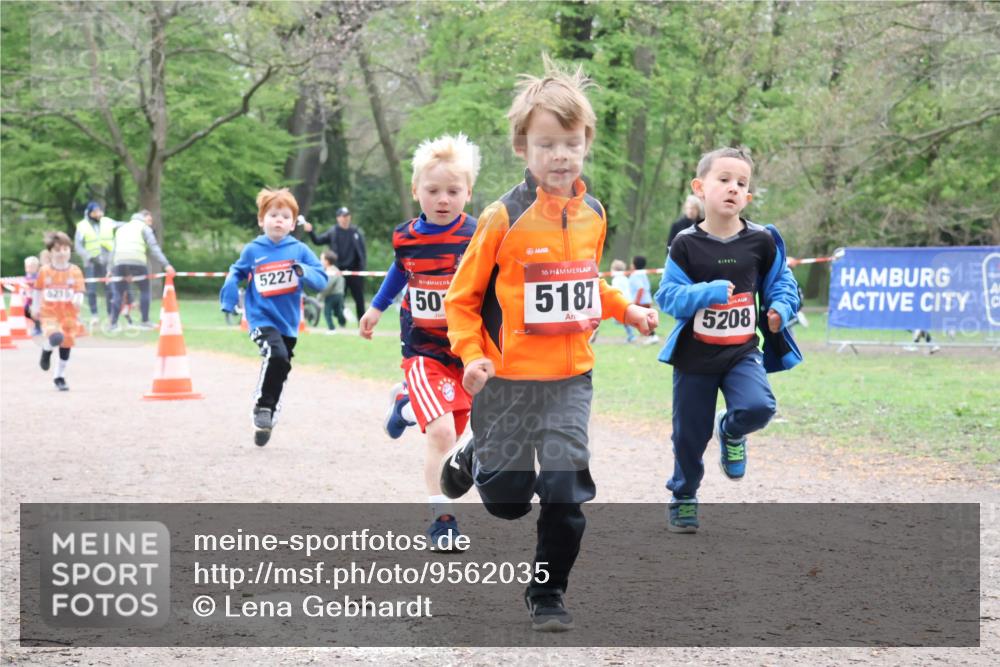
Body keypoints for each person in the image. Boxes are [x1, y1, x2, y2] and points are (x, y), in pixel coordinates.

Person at [439, 60, 659, 632]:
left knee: (565, 486)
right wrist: (471, 357)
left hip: (570, 379)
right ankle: (474, 453)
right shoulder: (501, 217)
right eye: (546, 145)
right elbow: (460, 300)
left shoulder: (594, 213)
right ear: (523, 148)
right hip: (507, 382)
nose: (560, 155)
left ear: (585, 142)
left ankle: (548, 591)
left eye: (570, 142)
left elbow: (587, 281)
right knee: (509, 501)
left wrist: (627, 309)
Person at [654, 146, 802, 534]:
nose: (733, 188)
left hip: (741, 352)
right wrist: (705, 293)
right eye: (724, 180)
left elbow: (785, 285)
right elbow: (667, 296)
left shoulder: (761, 241)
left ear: (748, 196)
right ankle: (684, 495)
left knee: (760, 407)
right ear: (700, 188)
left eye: (741, 183)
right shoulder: (685, 244)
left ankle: (732, 429)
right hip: (693, 358)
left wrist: (781, 310)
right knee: (689, 434)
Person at [358, 133, 481, 551]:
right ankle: (442, 521)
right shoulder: (406, 237)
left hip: (466, 353)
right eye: (432, 191)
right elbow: (399, 271)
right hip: (423, 350)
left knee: (455, 429)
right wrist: (376, 307)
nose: (443, 199)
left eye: (453, 190)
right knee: (444, 435)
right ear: (416, 191)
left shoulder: (478, 236)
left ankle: (406, 406)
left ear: (468, 192)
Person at [220, 188, 327, 446]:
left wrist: (304, 272)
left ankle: (268, 417)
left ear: (293, 224)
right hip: (260, 317)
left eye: (285, 216)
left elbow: (322, 279)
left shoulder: (299, 250)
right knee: (276, 355)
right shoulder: (253, 250)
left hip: (288, 323)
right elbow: (235, 273)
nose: (278, 220)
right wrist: (229, 297)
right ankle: (262, 407)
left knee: (282, 364)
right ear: (261, 220)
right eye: (272, 214)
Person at [30, 232, 85, 391]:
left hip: (69, 315)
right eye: (58, 249)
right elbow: (38, 290)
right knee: (56, 336)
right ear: (50, 252)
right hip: (50, 313)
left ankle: (59, 377)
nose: (62, 253)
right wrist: (35, 306)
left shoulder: (75, 271)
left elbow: (80, 290)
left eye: (65, 249)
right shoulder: (45, 271)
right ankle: (46, 351)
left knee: (65, 346)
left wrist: (78, 299)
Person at [108, 210, 175, 330]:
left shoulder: (121, 228)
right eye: (149, 220)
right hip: (137, 261)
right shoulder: (144, 227)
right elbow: (154, 248)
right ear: (143, 217)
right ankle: (145, 321)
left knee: (118, 292)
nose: (150, 223)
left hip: (119, 262)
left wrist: (109, 269)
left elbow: (113, 250)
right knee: (145, 290)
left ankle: (113, 324)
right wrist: (166, 265)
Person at [303, 206, 367, 322]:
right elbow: (317, 241)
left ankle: (362, 323)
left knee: (359, 298)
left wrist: (362, 267)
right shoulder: (333, 232)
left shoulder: (356, 232)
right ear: (338, 218)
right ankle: (341, 320)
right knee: (338, 299)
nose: (345, 218)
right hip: (339, 272)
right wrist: (310, 231)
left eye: (347, 216)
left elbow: (362, 251)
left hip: (354, 271)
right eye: (343, 216)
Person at [75, 201, 122, 323]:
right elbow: (78, 245)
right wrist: (88, 256)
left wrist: (136, 224)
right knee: (91, 289)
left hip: (106, 261)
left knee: (110, 287)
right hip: (90, 262)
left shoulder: (107, 221)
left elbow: (121, 225)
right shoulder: (82, 226)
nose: (98, 214)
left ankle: (110, 314)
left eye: (99, 211)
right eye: (95, 211)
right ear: (90, 213)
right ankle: (94, 315)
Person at [628, 255, 659, 345]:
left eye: (632, 263)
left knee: (642, 320)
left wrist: (636, 302)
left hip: (641, 302)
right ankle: (651, 336)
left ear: (634, 265)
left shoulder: (635, 275)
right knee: (646, 320)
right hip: (646, 300)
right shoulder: (643, 273)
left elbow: (640, 289)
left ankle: (651, 336)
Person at [317, 250, 346, 331]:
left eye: (321, 259)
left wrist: (320, 296)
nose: (320, 261)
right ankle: (343, 323)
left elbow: (327, 286)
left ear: (327, 261)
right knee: (338, 311)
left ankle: (331, 328)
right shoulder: (334, 270)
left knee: (327, 312)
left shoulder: (331, 271)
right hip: (339, 294)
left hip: (332, 295)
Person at [609, 259, 636, 343]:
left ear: (615, 270)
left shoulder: (616, 280)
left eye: (612, 269)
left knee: (619, 320)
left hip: (622, 302)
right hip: (628, 301)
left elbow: (615, 291)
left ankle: (632, 334)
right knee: (622, 319)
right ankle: (631, 335)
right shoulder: (624, 278)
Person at [23, 256, 41, 335]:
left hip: (36, 299)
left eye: (32, 266)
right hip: (28, 299)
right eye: (27, 266)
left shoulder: (37, 276)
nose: (29, 268)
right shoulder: (27, 276)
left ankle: (38, 328)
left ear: (37, 267)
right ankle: (36, 326)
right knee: (25, 311)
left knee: (35, 313)